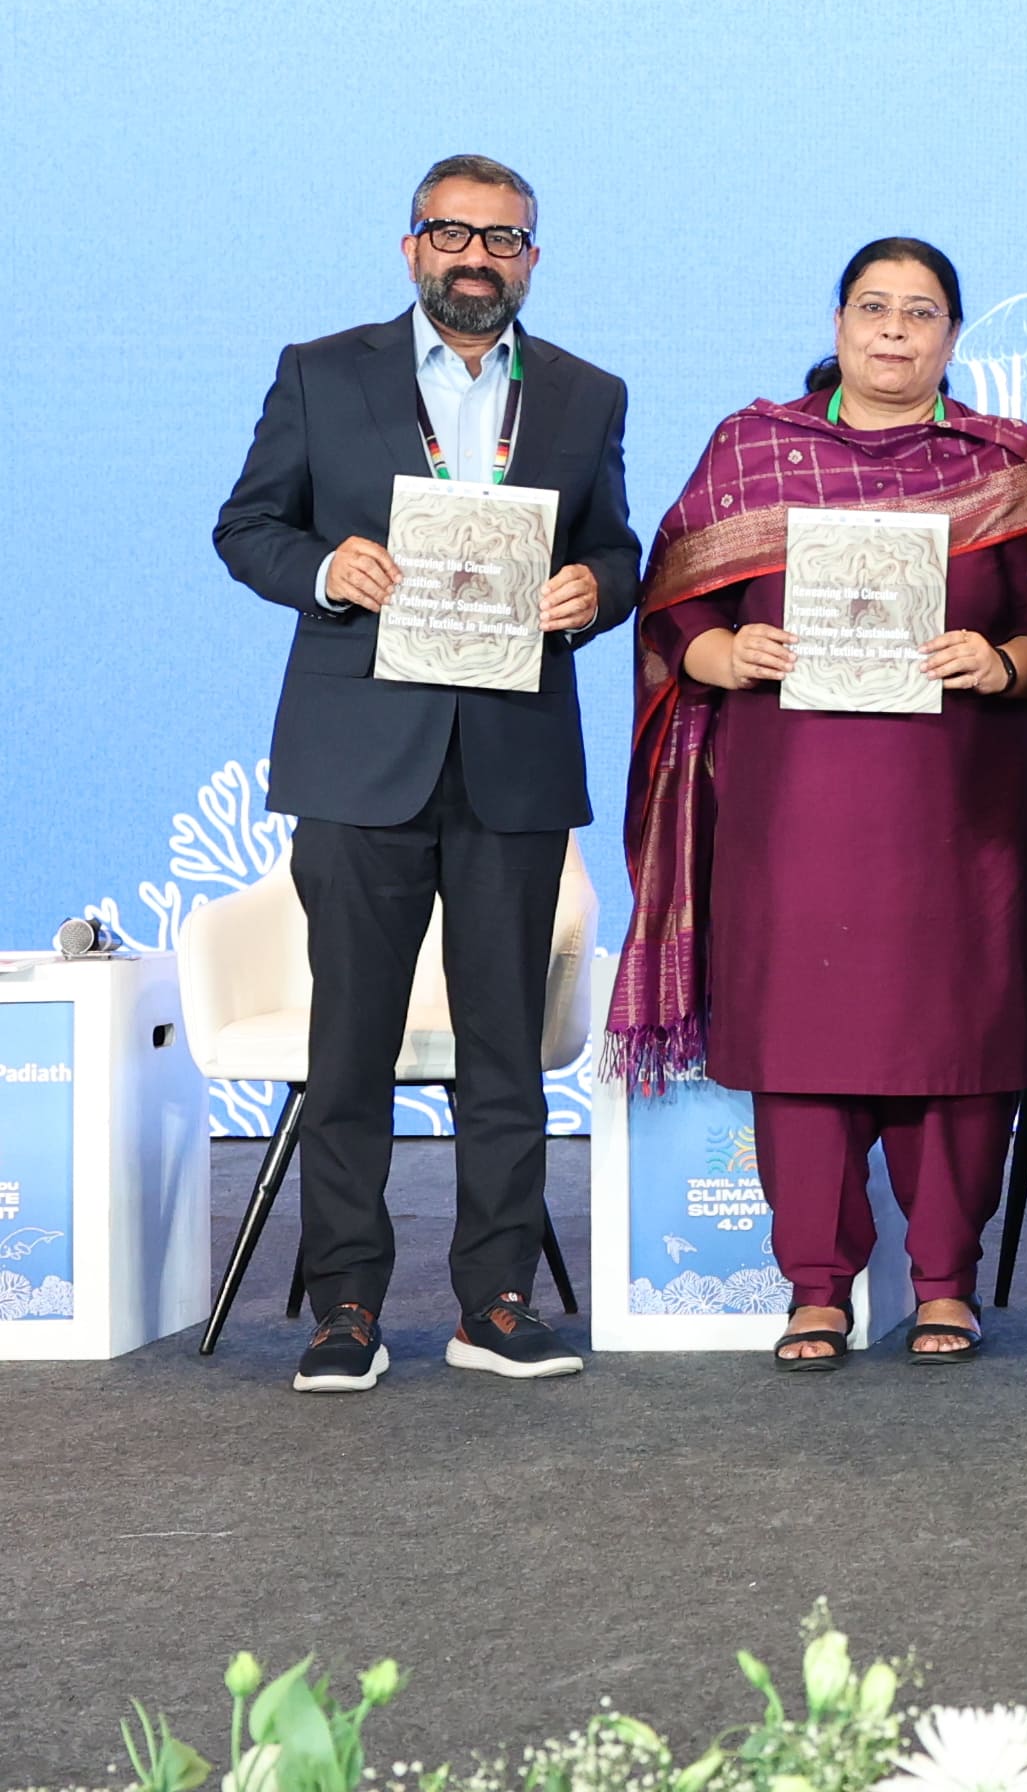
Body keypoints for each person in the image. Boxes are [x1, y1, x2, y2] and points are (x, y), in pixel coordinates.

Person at [213, 155, 638, 1393]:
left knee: (503, 1052)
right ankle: (345, 1307)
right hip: (360, 759)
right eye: (454, 234)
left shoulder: (583, 393)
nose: (477, 257)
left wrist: (594, 590)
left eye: (503, 239)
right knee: (349, 1047)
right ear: (412, 247)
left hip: (513, 758)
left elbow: (618, 547)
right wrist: (324, 570)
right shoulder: (320, 371)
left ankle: (495, 1303)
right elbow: (248, 527)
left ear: (532, 259)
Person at [607, 238, 1027, 1368]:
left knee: (956, 1041)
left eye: (921, 312)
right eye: (873, 307)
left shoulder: (1007, 463)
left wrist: (1004, 662)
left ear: (954, 336)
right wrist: (720, 655)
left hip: (959, 812)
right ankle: (815, 1285)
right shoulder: (754, 450)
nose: (894, 329)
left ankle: (946, 1283)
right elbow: (673, 605)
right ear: (839, 323)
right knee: (803, 1042)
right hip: (791, 809)